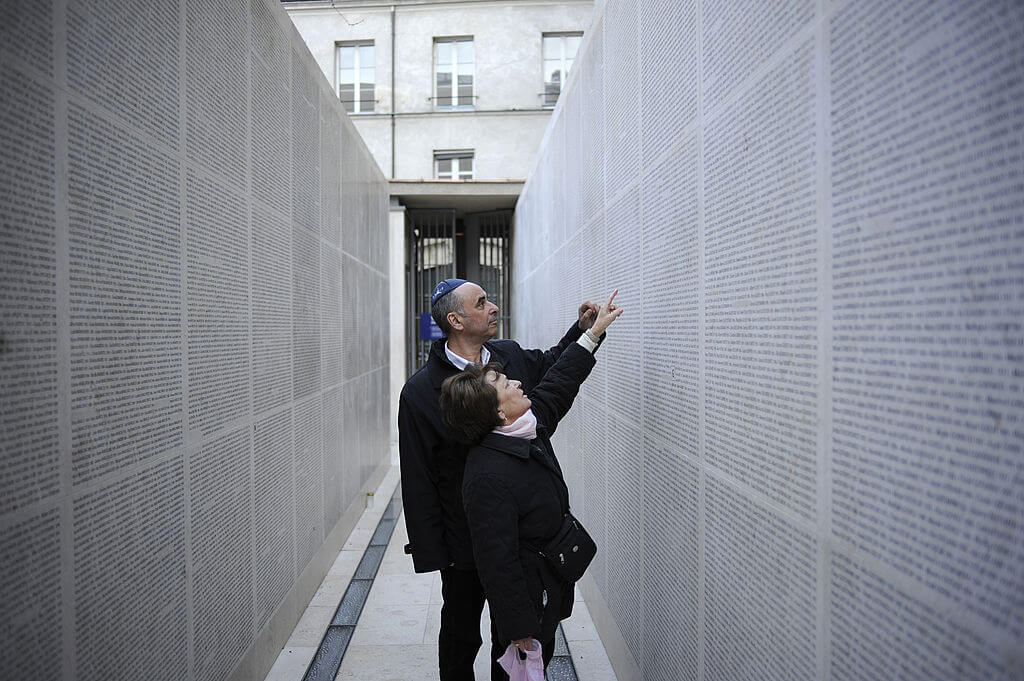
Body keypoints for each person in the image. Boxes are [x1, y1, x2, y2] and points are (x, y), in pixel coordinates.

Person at [398, 277, 602, 681]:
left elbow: (550, 365)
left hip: (520, 538)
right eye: (482, 302)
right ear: (455, 320)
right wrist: (438, 555)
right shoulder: (419, 392)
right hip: (463, 544)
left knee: (512, 631)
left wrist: (580, 332)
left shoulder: (506, 355)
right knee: (460, 633)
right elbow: (418, 481)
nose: (493, 307)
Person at [440, 290, 623, 674]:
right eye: (505, 385)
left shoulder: (525, 428)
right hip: (527, 596)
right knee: (519, 666)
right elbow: (497, 563)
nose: (516, 384)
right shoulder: (487, 476)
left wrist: (590, 335)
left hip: (546, 582)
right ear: (498, 414)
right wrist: (519, 630)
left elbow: (559, 382)